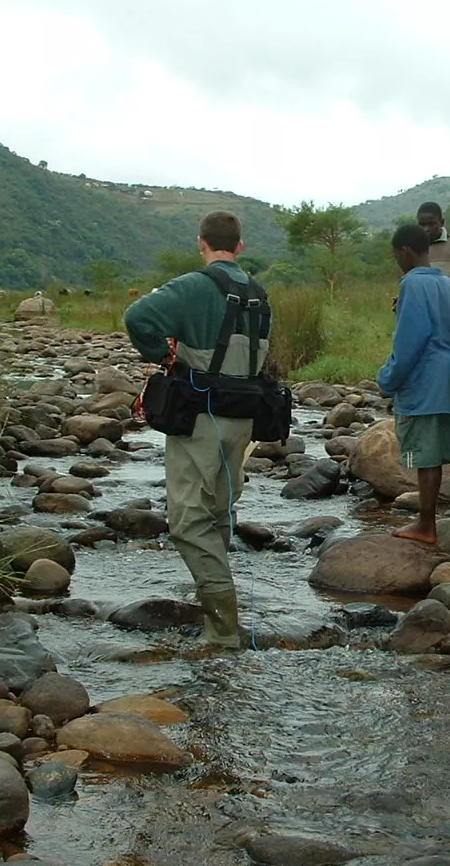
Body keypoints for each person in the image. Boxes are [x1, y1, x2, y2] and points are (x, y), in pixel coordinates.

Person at [123, 211, 270, 650]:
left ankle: (222, 627)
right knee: (220, 506)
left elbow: (138, 317)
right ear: (239, 246)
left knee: (188, 521)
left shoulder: (192, 285)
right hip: (244, 419)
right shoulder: (259, 292)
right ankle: (214, 592)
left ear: (201, 243)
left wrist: (163, 357)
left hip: (200, 417)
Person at [377, 223, 450, 545]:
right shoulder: (446, 283)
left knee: (423, 454)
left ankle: (426, 524)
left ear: (404, 251)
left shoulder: (411, 283)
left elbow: (410, 340)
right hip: (446, 376)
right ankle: (427, 521)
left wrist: (388, 378)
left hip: (422, 379)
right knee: (435, 454)